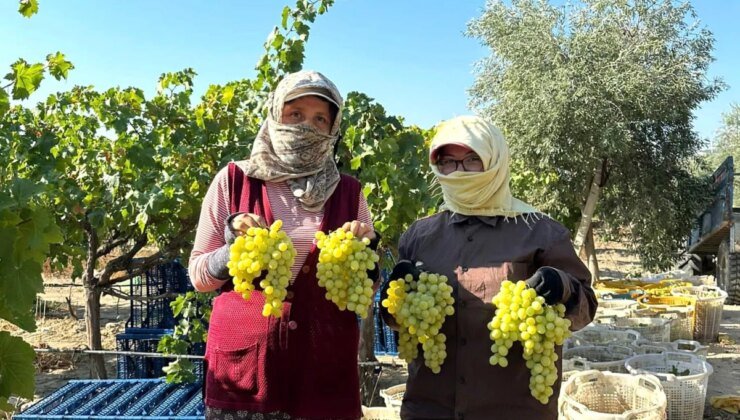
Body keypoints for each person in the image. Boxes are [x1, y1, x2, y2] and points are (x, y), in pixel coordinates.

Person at [189, 70, 379, 420]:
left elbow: (364, 291)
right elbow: (199, 276)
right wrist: (234, 252)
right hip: (246, 374)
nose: (307, 125)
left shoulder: (350, 193)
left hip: (325, 372)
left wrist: (367, 253)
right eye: (295, 114)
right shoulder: (233, 181)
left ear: (333, 129)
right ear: (276, 114)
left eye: (320, 118)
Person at [381, 115, 597, 420]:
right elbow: (398, 323)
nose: (459, 172)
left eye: (472, 160)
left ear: (494, 160)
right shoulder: (419, 236)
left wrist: (562, 286)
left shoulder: (540, 231)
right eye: (448, 162)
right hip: (430, 408)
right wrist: (398, 293)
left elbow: (585, 309)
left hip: (513, 411)